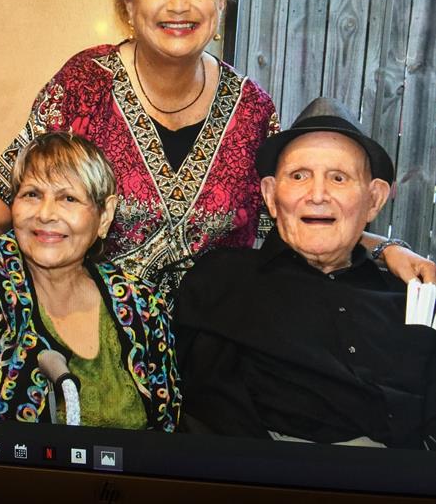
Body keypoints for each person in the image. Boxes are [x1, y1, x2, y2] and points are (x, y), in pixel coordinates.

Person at [0, 0, 434, 309]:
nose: (178, 4)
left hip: (216, 350)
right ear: (129, 5)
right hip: (93, 342)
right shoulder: (84, 84)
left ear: (220, 3)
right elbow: (15, 190)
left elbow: (299, 218)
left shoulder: (253, 110)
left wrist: (386, 249)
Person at [174, 98, 436, 448]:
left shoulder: (410, 296)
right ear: (270, 195)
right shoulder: (222, 280)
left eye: (338, 178)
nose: (317, 195)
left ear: (374, 200)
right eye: (299, 176)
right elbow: (209, 410)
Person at [0, 133, 180, 431]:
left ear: (105, 216)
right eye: (31, 194)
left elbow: (166, 432)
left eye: (68, 198)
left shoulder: (143, 306)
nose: (45, 214)